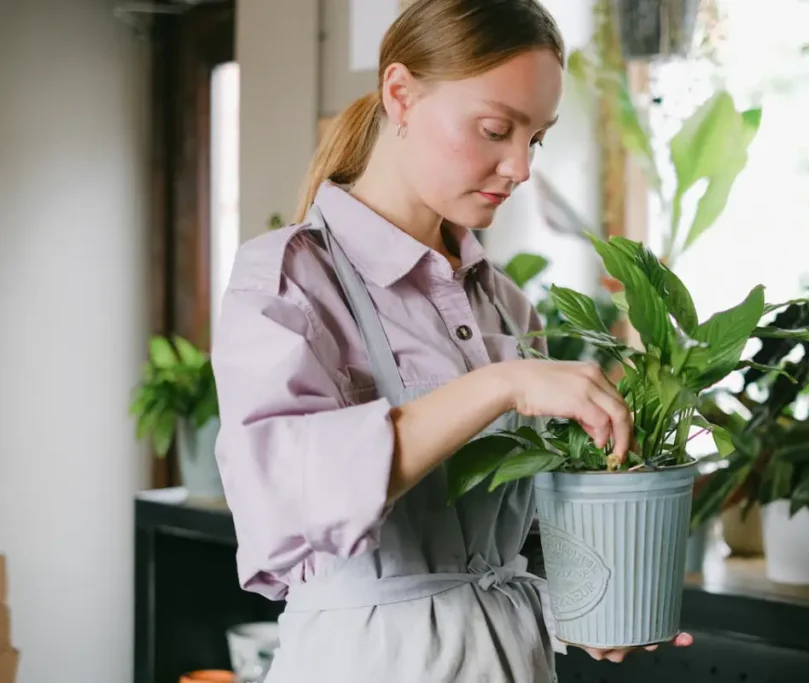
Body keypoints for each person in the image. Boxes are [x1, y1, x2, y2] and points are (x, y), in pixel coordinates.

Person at [211, 0, 693, 680]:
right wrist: (501, 384)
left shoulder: (502, 301)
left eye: (537, 138)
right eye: (497, 128)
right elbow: (280, 502)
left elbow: (489, 556)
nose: (521, 167)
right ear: (401, 94)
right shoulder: (290, 279)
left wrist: (585, 610)